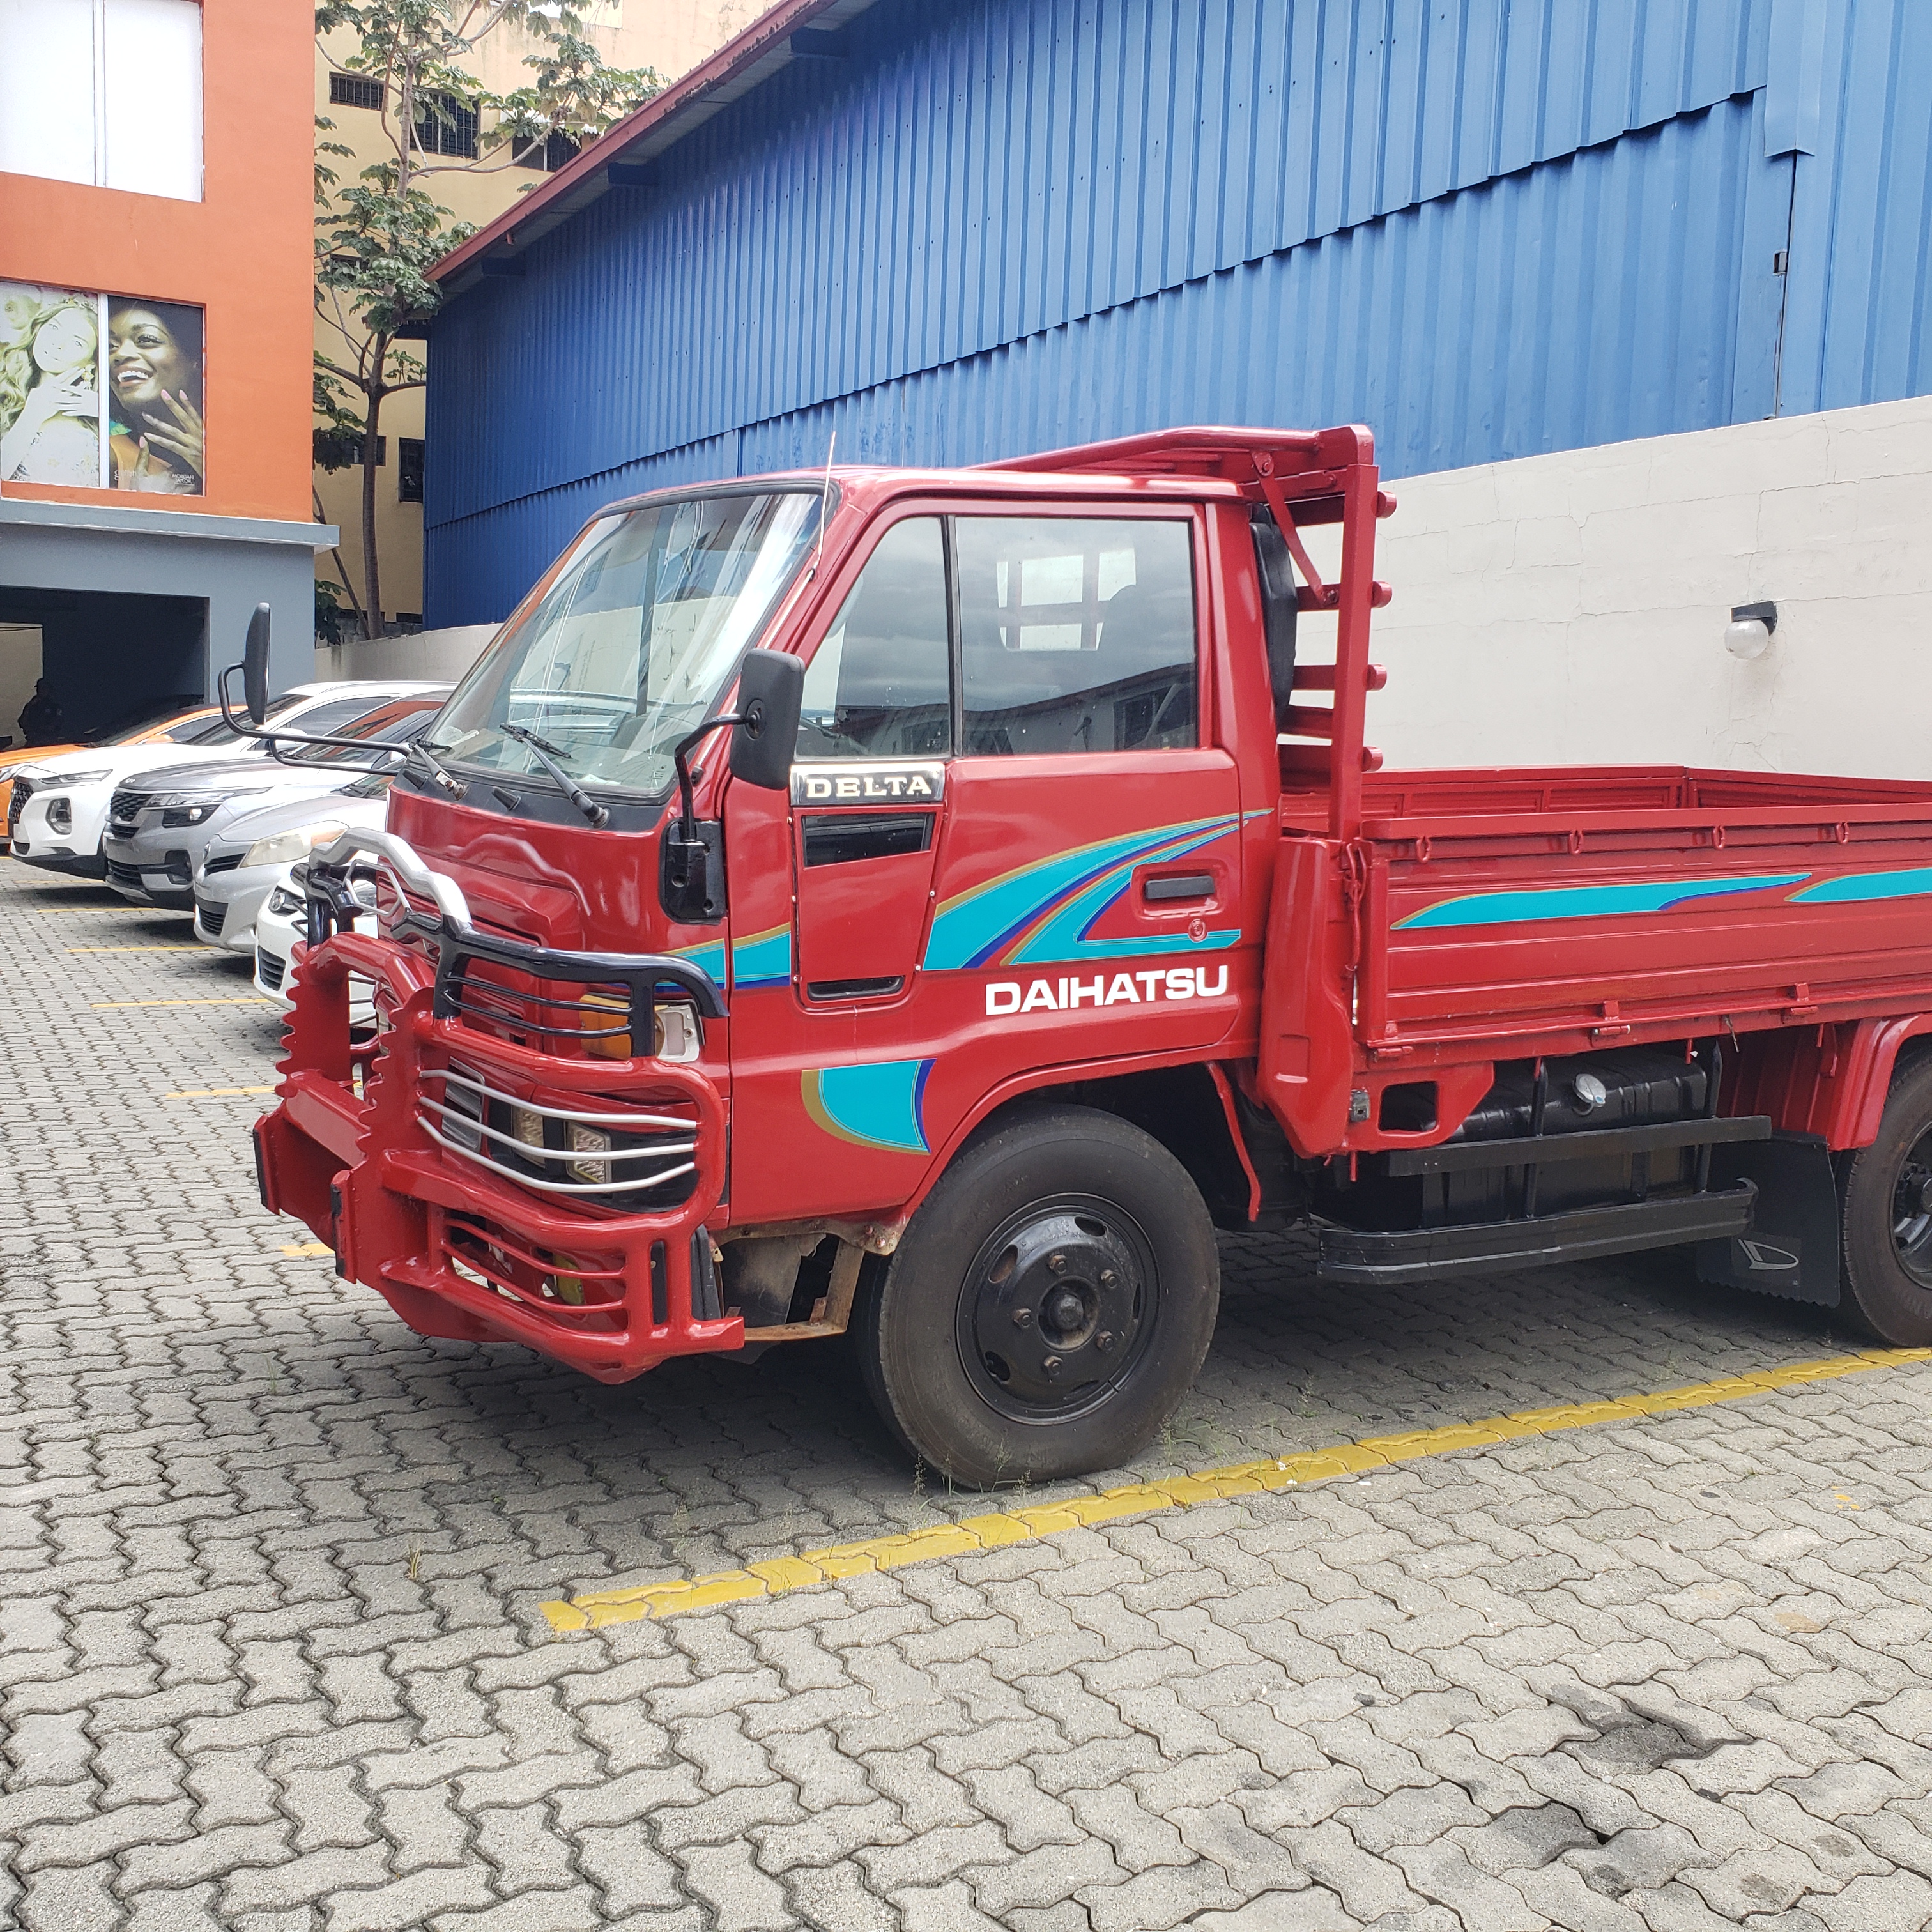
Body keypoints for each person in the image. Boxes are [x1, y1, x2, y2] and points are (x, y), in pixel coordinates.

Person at [0, 291, 102, 486]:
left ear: (91, 363)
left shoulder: (99, 417)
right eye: (54, 328)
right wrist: (32, 415)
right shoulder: (5, 394)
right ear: (38, 330)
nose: (58, 344)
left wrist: (106, 414)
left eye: (76, 342)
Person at [107, 302, 204, 494]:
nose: (121, 354)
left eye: (146, 339)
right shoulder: (104, 454)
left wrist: (211, 468)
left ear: (196, 358)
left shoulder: (243, 450)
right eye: (110, 346)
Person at [19, 680, 65, 746]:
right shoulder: (32, 704)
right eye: (39, 688)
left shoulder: (54, 705)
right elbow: (22, 721)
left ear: (49, 690)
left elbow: (55, 725)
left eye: (44, 689)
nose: (40, 691)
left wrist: (38, 729)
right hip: (33, 740)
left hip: (49, 741)